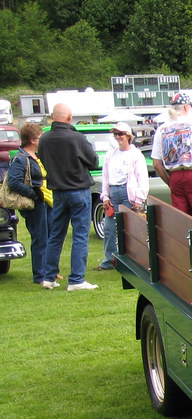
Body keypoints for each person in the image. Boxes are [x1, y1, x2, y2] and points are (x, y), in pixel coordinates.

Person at [38, 103, 99, 291]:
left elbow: (43, 159)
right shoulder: (77, 138)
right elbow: (94, 161)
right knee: (80, 235)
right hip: (78, 190)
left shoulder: (45, 139)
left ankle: (48, 277)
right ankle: (76, 279)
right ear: (70, 117)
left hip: (57, 191)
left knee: (56, 234)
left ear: (52, 117)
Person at [151, 91, 192, 224]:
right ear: (187, 107)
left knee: (182, 223)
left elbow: (157, 164)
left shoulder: (162, 129)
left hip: (175, 176)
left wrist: (171, 182)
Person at [97, 121, 149, 270]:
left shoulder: (135, 154)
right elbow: (105, 176)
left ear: (128, 136)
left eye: (120, 134)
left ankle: (132, 261)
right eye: (115, 134)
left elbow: (142, 177)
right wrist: (105, 196)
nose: (117, 137)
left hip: (128, 193)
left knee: (129, 228)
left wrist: (139, 198)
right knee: (109, 228)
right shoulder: (111, 154)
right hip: (113, 192)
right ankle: (109, 261)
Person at [7, 123, 51, 283]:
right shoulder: (21, 158)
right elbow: (13, 182)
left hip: (45, 202)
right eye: (40, 137)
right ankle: (40, 275)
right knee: (40, 239)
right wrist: (34, 194)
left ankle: (48, 270)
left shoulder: (36, 156)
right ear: (32, 140)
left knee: (47, 237)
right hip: (35, 205)